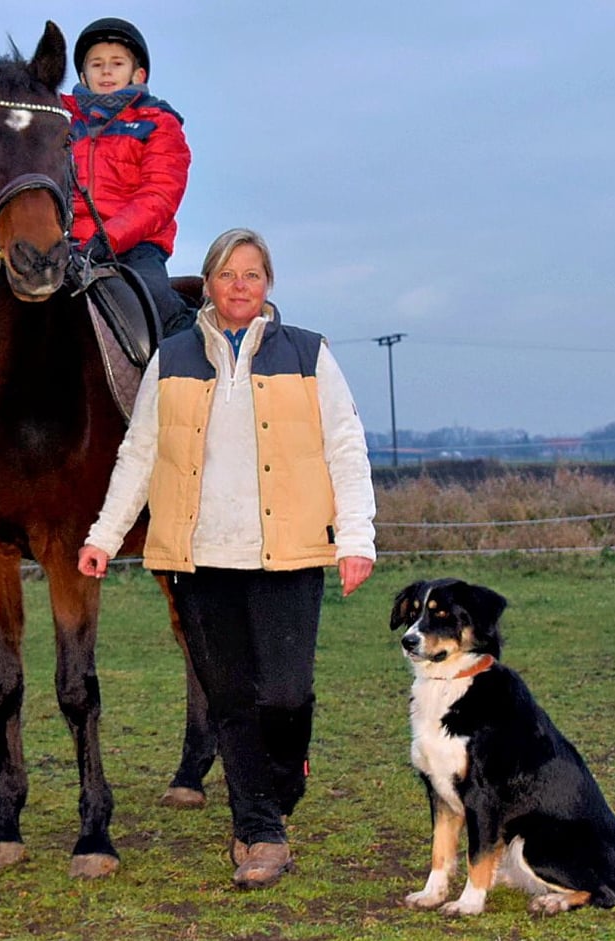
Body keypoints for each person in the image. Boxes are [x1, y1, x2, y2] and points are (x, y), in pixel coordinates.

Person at [77, 228, 377, 889]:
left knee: (286, 694)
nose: (240, 285)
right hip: (198, 556)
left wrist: (357, 537)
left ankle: (279, 780)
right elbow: (140, 453)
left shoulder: (310, 354)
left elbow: (346, 447)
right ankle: (260, 828)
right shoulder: (174, 356)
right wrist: (103, 535)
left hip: (288, 552)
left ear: (268, 284)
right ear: (208, 284)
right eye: (227, 274)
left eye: (253, 273)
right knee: (232, 698)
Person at [61, 16, 194, 337]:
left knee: (155, 304)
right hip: (67, 247)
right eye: (96, 64)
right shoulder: (61, 125)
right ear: (83, 75)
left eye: (116, 63)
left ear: (138, 74)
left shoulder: (159, 124)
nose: (106, 71)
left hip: (135, 248)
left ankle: (191, 365)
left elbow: (159, 196)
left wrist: (107, 239)